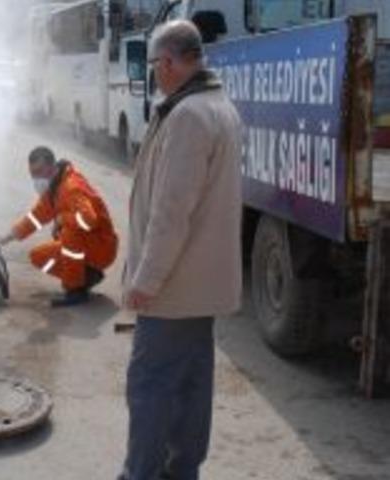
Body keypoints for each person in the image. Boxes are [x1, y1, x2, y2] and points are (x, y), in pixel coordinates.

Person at [119, 20, 243, 480]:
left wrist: (145, 280)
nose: (154, 72)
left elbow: (171, 214)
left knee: (149, 387)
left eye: (155, 64)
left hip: (174, 288)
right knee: (191, 385)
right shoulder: (217, 105)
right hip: (199, 287)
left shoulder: (189, 116)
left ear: (169, 63)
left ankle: (142, 474)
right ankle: (181, 471)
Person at [0, 146, 118, 307]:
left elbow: (88, 220)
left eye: (39, 172)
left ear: (52, 167)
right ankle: (87, 277)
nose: (36, 178)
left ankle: (75, 290)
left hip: (102, 247)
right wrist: (5, 238)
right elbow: (34, 219)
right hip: (87, 245)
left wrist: (61, 219)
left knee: (71, 233)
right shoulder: (54, 190)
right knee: (38, 256)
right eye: (32, 174)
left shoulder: (71, 187)